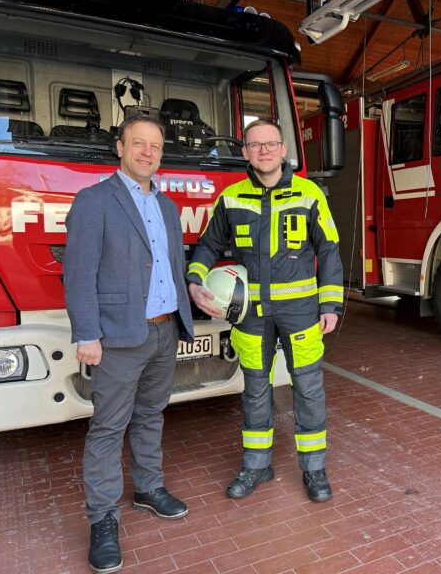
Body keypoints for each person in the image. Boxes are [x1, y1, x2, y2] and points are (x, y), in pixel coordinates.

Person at [64, 114, 195, 574]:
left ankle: (147, 488)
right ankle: (102, 518)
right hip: (117, 335)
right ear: (119, 147)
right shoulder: (94, 201)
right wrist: (86, 334)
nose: (147, 152)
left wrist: (187, 307)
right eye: (138, 144)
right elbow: (78, 273)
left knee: (150, 416)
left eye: (155, 146)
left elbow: (171, 267)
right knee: (107, 428)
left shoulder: (168, 207)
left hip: (162, 331)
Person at [187, 119, 343, 503]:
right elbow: (207, 245)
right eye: (255, 145)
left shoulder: (310, 194)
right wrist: (193, 279)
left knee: (308, 390)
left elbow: (329, 251)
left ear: (283, 149)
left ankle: (314, 469)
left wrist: (331, 304)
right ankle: (257, 466)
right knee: (255, 391)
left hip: (302, 314)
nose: (264, 151)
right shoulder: (232, 198)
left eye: (271, 144)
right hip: (251, 316)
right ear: (245, 152)